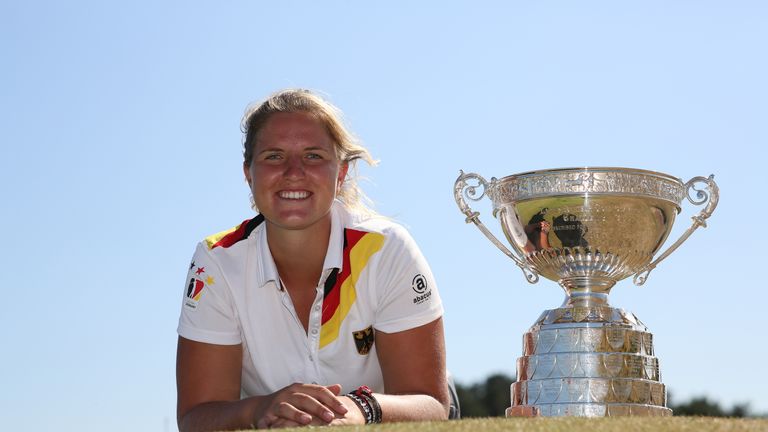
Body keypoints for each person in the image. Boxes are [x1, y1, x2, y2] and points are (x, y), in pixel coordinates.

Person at [176, 89, 452, 431]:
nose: (294, 172)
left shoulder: (386, 248)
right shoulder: (215, 261)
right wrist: (261, 409)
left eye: (313, 156)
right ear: (249, 173)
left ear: (341, 173)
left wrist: (359, 409)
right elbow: (195, 417)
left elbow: (432, 404)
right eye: (274, 156)